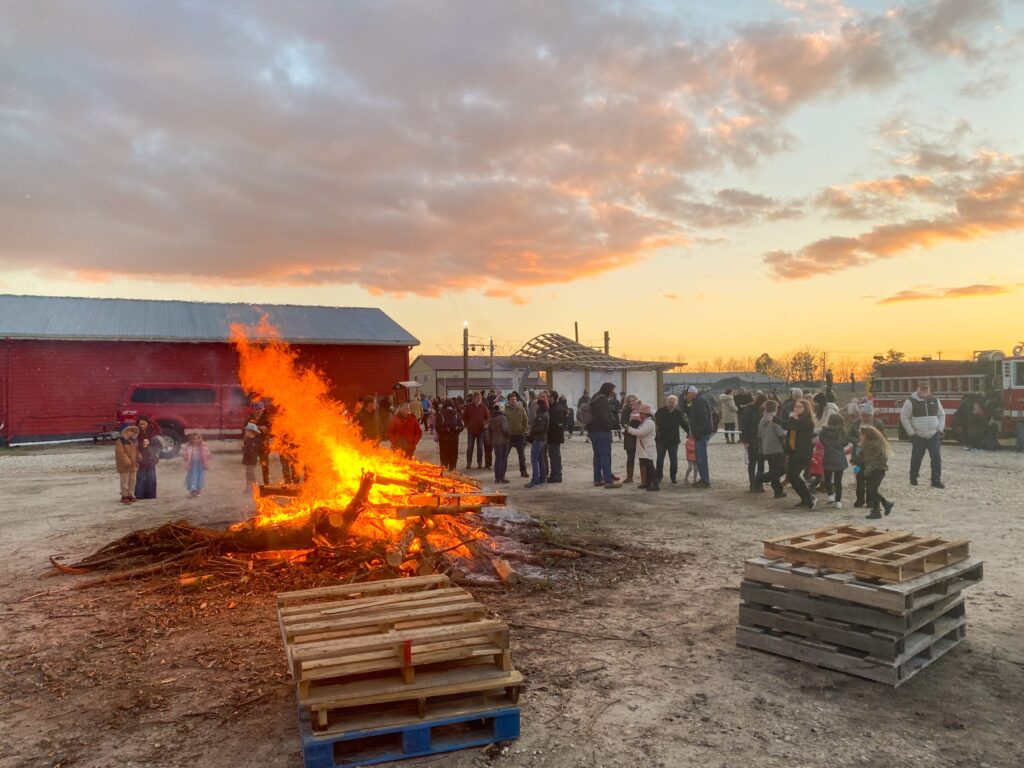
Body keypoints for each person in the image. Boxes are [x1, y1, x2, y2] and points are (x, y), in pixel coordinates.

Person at [900, 381, 945, 488]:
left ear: (929, 390)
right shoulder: (910, 401)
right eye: (922, 388)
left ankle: (936, 480)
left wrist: (940, 429)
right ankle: (913, 478)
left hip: (934, 435)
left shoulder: (935, 400)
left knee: (936, 457)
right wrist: (911, 433)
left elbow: (942, 414)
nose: (924, 391)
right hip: (918, 436)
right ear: (918, 389)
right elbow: (904, 417)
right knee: (916, 458)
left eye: (926, 389)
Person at [854, 425, 894, 519]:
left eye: (861, 435)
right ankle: (881, 507)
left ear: (867, 435)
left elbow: (864, 459)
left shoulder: (869, 445)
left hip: (874, 470)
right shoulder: (878, 443)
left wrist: (856, 462)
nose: (860, 436)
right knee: (872, 490)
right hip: (879, 470)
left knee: (872, 490)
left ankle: (882, 506)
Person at [784, 399, 816, 509]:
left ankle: (809, 497)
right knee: (792, 477)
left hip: (802, 453)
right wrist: (773, 419)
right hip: (793, 451)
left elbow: (792, 426)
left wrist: (792, 417)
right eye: (795, 406)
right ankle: (805, 498)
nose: (796, 408)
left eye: (800, 407)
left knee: (794, 476)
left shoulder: (806, 421)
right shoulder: (797, 420)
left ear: (806, 409)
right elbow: (787, 426)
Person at [588, 383, 621, 488]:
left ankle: (597, 479)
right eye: (612, 390)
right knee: (605, 455)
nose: (613, 392)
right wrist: (608, 428)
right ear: (607, 390)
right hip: (602, 431)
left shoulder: (595, 397)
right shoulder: (603, 400)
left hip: (592, 431)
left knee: (597, 455)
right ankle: (608, 481)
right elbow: (604, 417)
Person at [654, 395, 688, 485]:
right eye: (669, 402)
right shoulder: (660, 411)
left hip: (673, 441)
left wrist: (690, 432)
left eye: (673, 402)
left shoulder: (678, 413)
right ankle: (658, 477)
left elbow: (684, 424)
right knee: (660, 459)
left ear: (676, 403)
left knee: (674, 460)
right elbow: (654, 423)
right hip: (661, 440)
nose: (671, 404)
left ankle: (673, 477)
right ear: (666, 402)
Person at [685, 385, 713, 488]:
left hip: (701, 433)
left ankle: (705, 481)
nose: (686, 396)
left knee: (701, 457)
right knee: (700, 457)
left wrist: (698, 432)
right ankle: (703, 479)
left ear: (691, 393)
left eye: (687, 394)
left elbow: (702, 418)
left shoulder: (699, 401)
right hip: (702, 432)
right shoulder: (699, 400)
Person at [626, 404, 659, 491]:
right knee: (647, 466)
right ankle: (648, 483)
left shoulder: (649, 422)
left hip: (647, 447)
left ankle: (655, 485)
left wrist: (629, 429)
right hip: (644, 447)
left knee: (650, 467)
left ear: (645, 414)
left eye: (641, 413)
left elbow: (641, 433)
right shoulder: (645, 421)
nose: (639, 415)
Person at [759, 400, 788, 498]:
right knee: (783, 469)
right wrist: (786, 449)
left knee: (774, 470)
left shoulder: (762, 420)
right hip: (777, 449)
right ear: (776, 409)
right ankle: (763, 477)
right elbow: (781, 435)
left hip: (767, 449)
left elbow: (759, 436)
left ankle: (778, 491)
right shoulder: (774, 420)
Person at [820, 413, 849, 509]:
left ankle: (830, 495)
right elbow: (845, 443)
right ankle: (838, 501)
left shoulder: (824, 431)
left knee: (827, 478)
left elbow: (822, 441)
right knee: (838, 481)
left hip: (828, 456)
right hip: (839, 457)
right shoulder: (842, 431)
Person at [740, 393, 767, 492]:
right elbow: (744, 426)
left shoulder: (763, 411)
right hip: (752, 440)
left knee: (761, 464)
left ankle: (759, 484)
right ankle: (752, 485)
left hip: (761, 441)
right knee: (752, 463)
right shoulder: (749, 411)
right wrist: (745, 440)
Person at [505, 392, 529, 478]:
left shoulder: (521, 409)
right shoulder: (505, 409)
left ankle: (523, 471)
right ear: (508, 401)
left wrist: (523, 432)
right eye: (511, 400)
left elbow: (526, 421)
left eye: (515, 399)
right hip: (509, 436)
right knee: (505, 455)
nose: (513, 401)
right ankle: (502, 473)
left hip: (520, 436)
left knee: (522, 455)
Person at [463, 392, 490, 470]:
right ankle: (469, 463)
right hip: (471, 430)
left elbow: (488, 417)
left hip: (481, 431)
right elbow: (464, 417)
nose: (479, 399)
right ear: (474, 398)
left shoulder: (484, 407)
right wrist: (467, 424)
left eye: (480, 398)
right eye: (477, 397)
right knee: (470, 447)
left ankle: (479, 463)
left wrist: (486, 424)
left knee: (480, 448)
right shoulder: (468, 407)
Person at [114, 422, 140, 504]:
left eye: (132, 431)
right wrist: (126, 461)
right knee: (125, 481)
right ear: (124, 432)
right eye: (129, 431)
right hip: (125, 465)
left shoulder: (133, 441)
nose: (131, 433)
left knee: (133, 480)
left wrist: (139, 456)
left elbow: (136, 450)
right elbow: (120, 453)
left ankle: (130, 494)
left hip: (133, 464)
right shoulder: (120, 441)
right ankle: (124, 495)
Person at [527, 398, 550, 488]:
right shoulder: (544, 413)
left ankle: (535, 480)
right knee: (540, 459)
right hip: (542, 439)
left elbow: (541, 428)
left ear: (539, 405)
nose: (535, 406)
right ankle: (542, 477)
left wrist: (531, 431)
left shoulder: (542, 415)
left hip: (539, 439)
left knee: (534, 459)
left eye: (537, 404)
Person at [435, 400, 464, 470]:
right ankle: (452, 469)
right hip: (454, 439)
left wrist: (445, 430)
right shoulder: (456, 415)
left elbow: (437, 427)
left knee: (444, 456)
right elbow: (461, 426)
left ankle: (444, 470)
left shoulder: (440, 414)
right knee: (453, 456)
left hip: (444, 439)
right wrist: (457, 429)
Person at [182, 433, 212, 497]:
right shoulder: (188, 447)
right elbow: (185, 456)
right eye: (194, 439)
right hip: (192, 464)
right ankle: (193, 490)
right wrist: (185, 457)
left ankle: (198, 489)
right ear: (191, 439)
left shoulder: (203, 447)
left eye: (198, 438)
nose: (196, 440)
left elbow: (208, 454)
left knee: (200, 476)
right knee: (192, 477)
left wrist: (208, 455)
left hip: (200, 464)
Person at [488, 403, 511, 484]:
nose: (504, 409)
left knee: (497, 459)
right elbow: (505, 429)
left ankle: (497, 478)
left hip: (495, 441)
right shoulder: (502, 418)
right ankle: (501, 477)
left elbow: (489, 431)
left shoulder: (491, 418)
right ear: (500, 408)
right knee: (502, 460)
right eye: (502, 407)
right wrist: (509, 435)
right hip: (503, 441)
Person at [546, 391, 565, 483]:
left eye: (548, 396)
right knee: (553, 456)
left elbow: (555, 424)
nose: (547, 397)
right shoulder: (554, 407)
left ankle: (557, 475)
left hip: (554, 437)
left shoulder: (555, 409)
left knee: (555, 456)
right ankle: (554, 474)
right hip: (553, 437)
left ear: (552, 397)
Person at [620, 395, 639, 483]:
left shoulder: (640, 409)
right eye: (629, 402)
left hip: (640, 435)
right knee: (630, 457)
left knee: (643, 458)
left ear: (636, 401)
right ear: (626, 403)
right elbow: (623, 422)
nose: (631, 403)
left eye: (632, 401)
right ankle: (629, 477)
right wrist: (629, 428)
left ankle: (644, 478)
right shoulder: (625, 411)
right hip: (629, 436)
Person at [135, 434, 160, 500]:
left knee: (151, 479)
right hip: (142, 463)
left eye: (144, 424)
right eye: (141, 424)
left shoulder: (153, 434)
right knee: (141, 479)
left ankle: (151, 494)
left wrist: (155, 460)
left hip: (150, 463)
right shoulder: (137, 438)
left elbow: (156, 452)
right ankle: (140, 495)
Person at [242, 422, 261, 494]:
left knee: (251, 474)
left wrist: (243, 447)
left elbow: (250, 450)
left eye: (247, 431)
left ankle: (256, 488)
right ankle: (248, 487)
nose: (245, 432)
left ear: (251, 432)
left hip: (252, 460)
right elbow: (246, 450)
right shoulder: (247, 440)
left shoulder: (256, 441)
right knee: (248, 474)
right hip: (247, 460)